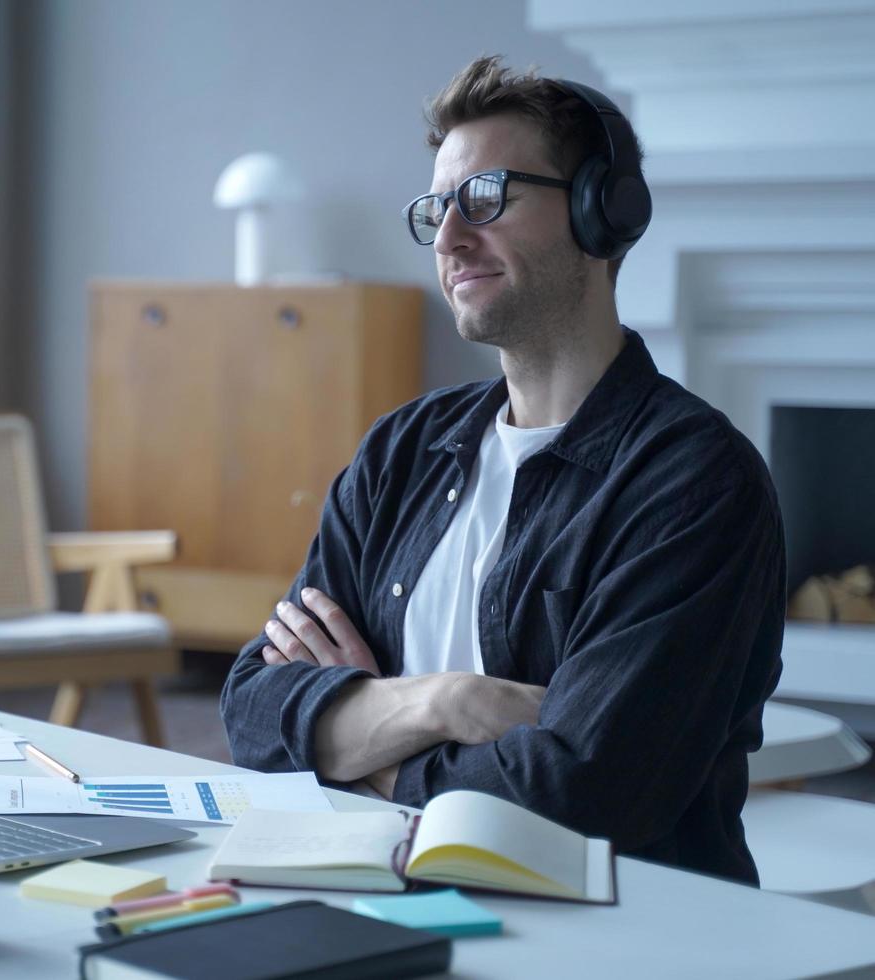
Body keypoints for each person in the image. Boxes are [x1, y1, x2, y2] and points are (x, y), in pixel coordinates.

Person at [219, 55, 785, 885]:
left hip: (613, 938)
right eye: (436, 209)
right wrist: (445, 702)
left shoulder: (694, 482)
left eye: (485, 198)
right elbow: (249, 711)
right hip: (382, 893)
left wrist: (364, 747)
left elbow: (585, 794)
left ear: (601, 213)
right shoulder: (400, 452)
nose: (449, 237)